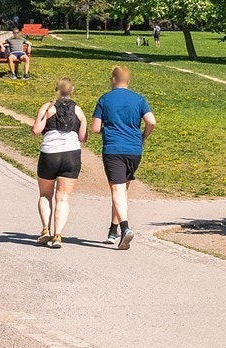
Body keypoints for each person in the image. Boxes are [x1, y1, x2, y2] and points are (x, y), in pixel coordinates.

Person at [93, 65, 157, 249]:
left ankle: (125, 229)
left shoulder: (105, 99)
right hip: (134, 150)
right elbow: (151, 121)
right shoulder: (139, 99)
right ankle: (113, 231)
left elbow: (96, 128)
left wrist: (110, 129)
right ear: (128, 80)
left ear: (113, 79)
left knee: (117, 191)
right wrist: (143, 136)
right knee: (121, 191)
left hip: (114, 149)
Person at [30, 78, 87, 249]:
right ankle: (58, 235)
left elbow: (35, 130)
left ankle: (45, 229)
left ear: (56, 89)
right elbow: (83, 138)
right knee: (62, 198)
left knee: (45, 194)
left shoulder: (48, 107)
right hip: (71, 155)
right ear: (72, 90)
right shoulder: (79, 111)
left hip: (49, 153)